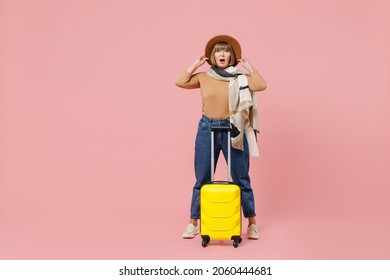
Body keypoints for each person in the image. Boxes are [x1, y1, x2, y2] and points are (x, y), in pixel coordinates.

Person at [175, 34, 267, 240]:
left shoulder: (241, 78)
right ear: (212, 57)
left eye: (225, 50)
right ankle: (194, 222)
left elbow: (260, 85)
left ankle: (251, 222)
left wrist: (250, 67)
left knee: (241, 177)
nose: (221, 54)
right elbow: (180, 81)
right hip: (207, 127)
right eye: (217, 51)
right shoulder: (204, 76)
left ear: (231, 55)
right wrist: (195, 64)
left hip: (234, 128)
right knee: (203, 177)